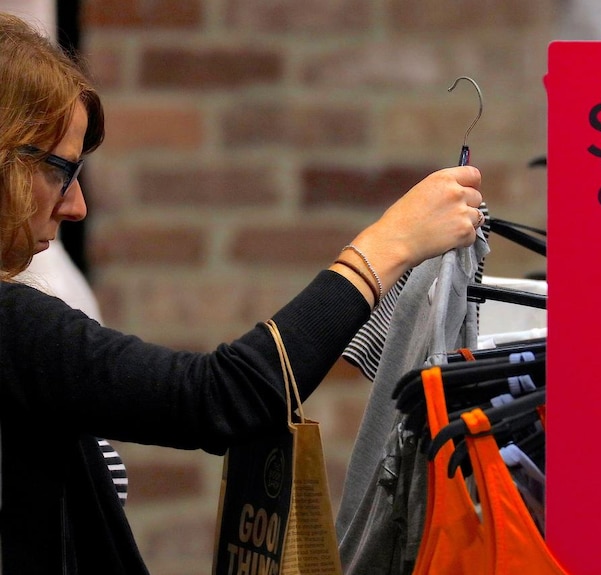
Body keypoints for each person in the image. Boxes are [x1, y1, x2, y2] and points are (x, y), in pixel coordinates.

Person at [0, 12, 484, 574]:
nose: (75, 204)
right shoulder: (12, 328)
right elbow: (217, 398)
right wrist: (384, 248)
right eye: (63, 170)